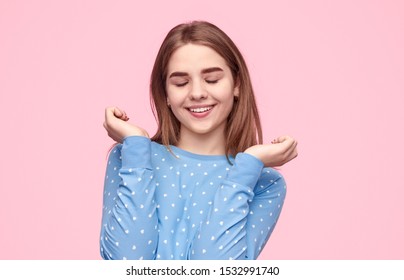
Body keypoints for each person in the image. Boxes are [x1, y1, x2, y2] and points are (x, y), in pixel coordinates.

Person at [100, 21, 298, 260]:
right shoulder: (131, 156)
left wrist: (249, 165)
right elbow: (125, 263)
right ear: (166, 95)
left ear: (236, 85)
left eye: (212, 79)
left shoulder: (264, 182)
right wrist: (136, 144)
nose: (197, 93)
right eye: (181, 83)